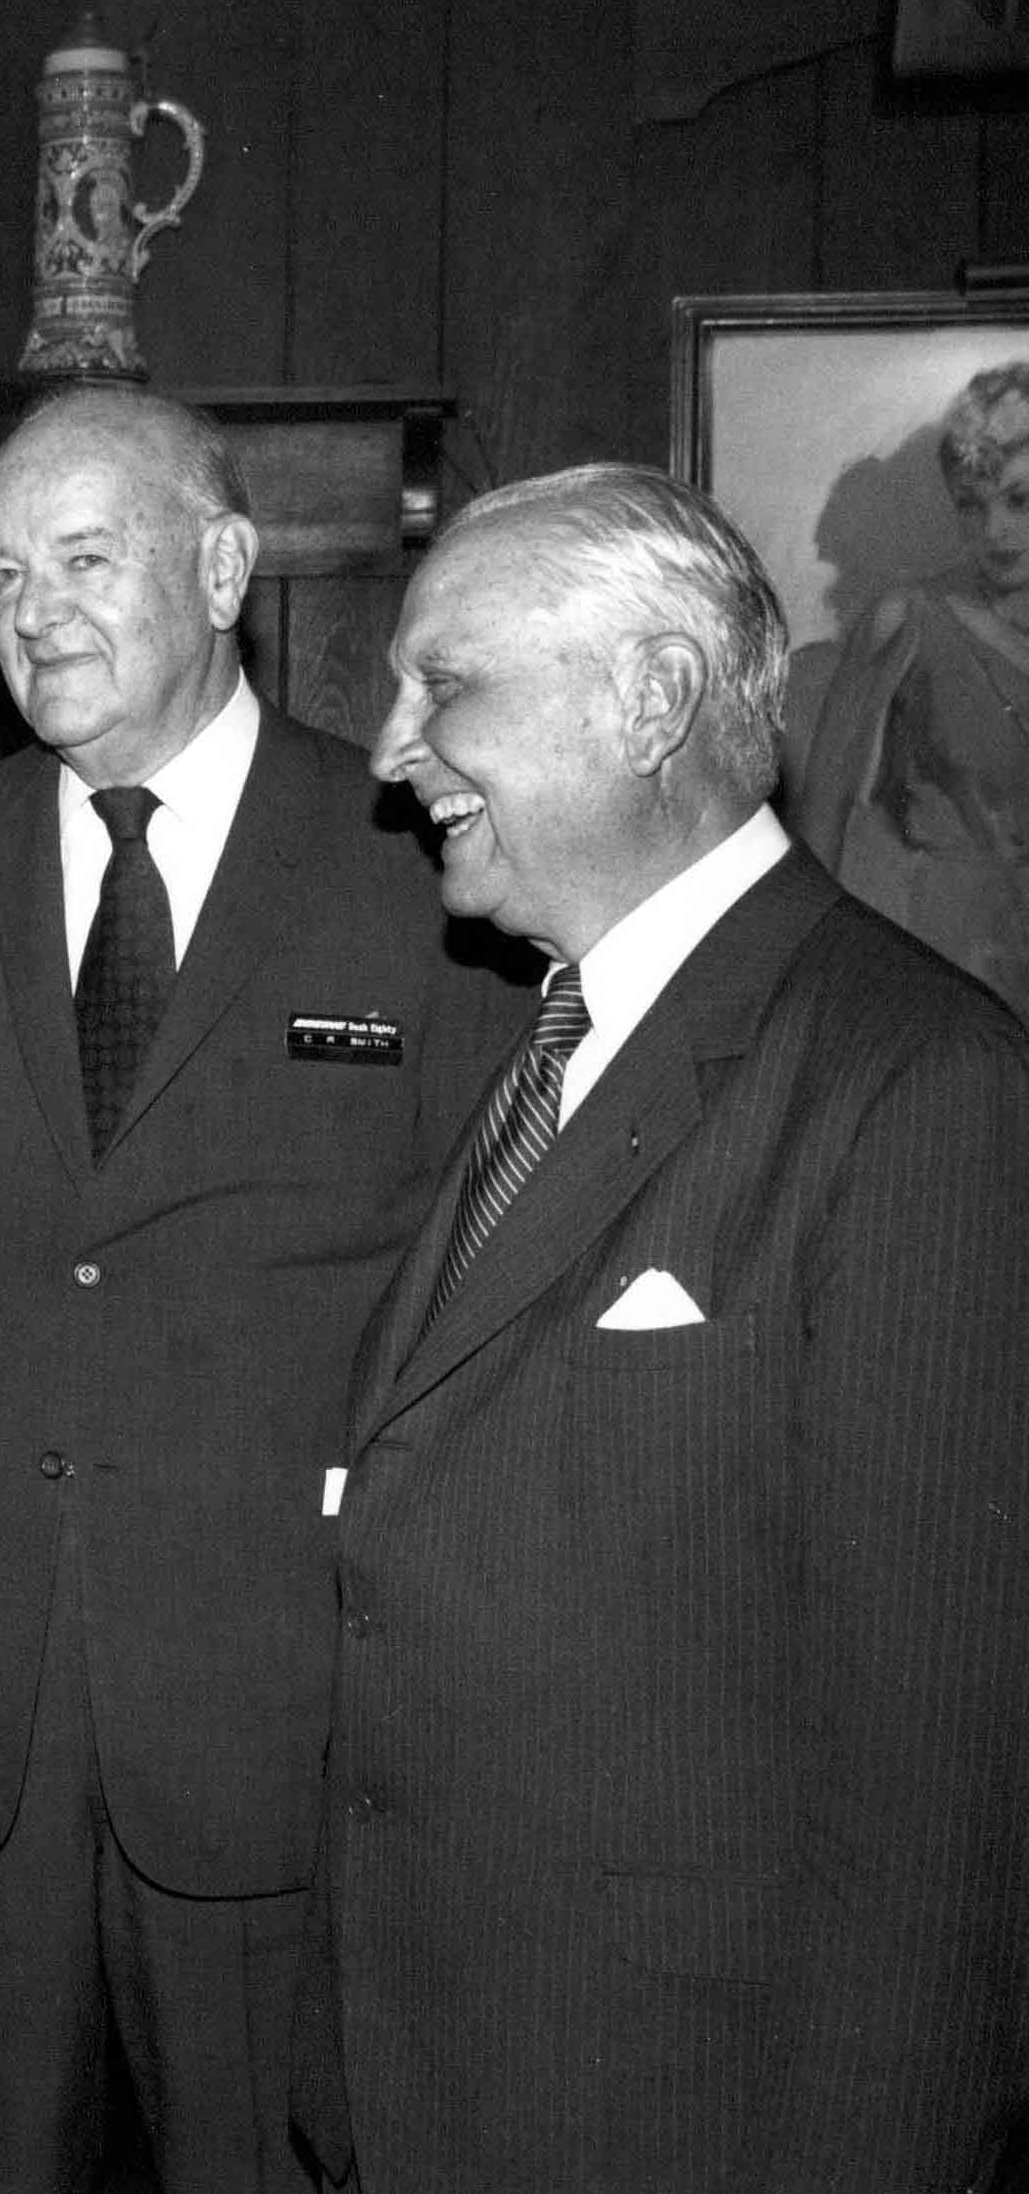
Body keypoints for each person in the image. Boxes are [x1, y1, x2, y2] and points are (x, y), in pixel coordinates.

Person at [0, 385, 524, 2194]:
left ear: (219, 565)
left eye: (83, 559)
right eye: (1, 572)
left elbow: (481, 1304)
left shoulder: (413, 856)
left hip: (279, 1709)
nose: (31, 609)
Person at [309, 460, 1029, 2190]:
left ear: (645, 699)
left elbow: (939, 1807)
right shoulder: (558, 1042)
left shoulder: (912, 1080)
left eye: (445, 684)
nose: (390, 747)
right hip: (447, 2077)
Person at [785, 359, 1029, 1024]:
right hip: (957, 957)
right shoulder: (910, 617)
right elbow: (822, 821)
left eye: (1019, 501)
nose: (995, 534)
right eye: (972, 507)